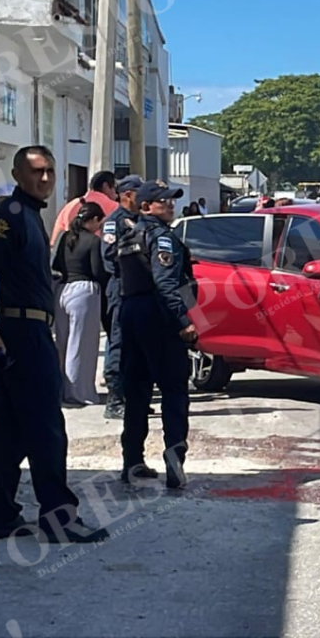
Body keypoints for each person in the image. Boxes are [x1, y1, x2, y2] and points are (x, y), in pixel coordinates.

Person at [0, 145, 109, 544]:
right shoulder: (11, 214)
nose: (45, 178)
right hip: (18, 332)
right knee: (48, 427)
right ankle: (58, 518)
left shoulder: (31, 215)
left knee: (8, 431)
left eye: (50, 171)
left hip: (26, 329)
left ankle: (0, 516)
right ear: (18, 174)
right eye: (36, 171)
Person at [117, 181, 197, 488]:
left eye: (172, 201)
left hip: (131, 313)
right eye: (164, 201)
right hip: (158, 316)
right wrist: (183, 322)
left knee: (136, 393)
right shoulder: (161, 238)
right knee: (174, 391)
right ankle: (175, 465)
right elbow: (166, 285)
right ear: (146, 206)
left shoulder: (127, 236)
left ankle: (132, 462)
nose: (171, 206)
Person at [52, 201, 107, 407]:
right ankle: (80, 392)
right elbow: (97, 271)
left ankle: (63, 389)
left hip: (63, 290)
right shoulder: (93, 242)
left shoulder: (66, 238)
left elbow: (56, 264)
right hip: (84, 291)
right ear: (93, 220)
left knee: (63, 343)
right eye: (99, 223)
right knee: (81, 345)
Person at [99, 175, 143, 420]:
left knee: (136, 345)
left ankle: (132, 395)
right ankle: (114, 399)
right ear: (127, 194)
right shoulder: (114, 222)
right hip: (121, 288)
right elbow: (109, 257)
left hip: (139, 290)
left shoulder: (140, 220)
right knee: (119, 341)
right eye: (139, 192)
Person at [51, 170, 118, 247]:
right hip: (97, 253)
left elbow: (55, 239)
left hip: (69, 252)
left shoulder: (70, 206)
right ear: (105, 186)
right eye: (114, 188)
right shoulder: (114, 207)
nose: (116, 193)